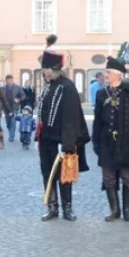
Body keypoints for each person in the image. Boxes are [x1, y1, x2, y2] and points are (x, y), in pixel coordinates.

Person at [92, 57, 129, 222]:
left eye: (109, 72)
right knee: (109, 178)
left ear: (118, 75)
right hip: (107, 143)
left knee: (127, 177)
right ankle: (115, 210)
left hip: (126, 142)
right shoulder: (101, 93)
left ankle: (127, 210)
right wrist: (96, 141)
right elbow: (97, 120)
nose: (106, 75)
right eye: (106, 72)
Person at [38, 36, 90, 221]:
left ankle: (67, 208)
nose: (44, 74)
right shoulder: (48, 87)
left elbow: (70, 118)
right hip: (46, 139)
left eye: (45, 70)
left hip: (61, 140)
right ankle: (53, 207)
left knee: (64, 175)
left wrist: (67, 143)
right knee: (47, 174)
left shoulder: (67, 88)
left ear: (53, 70)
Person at [3, 75, 25, 144]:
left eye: (10, 80)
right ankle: (11, 132)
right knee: (8, 123)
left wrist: (18, 99)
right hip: (6, 108)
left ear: (12, 80)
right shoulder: (3, 88)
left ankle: (11, 137)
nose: (9, 81)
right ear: (6, 81)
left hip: (15, 107)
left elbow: (23, 95)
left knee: (13, 122)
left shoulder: (18, 87)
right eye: (8, 80)